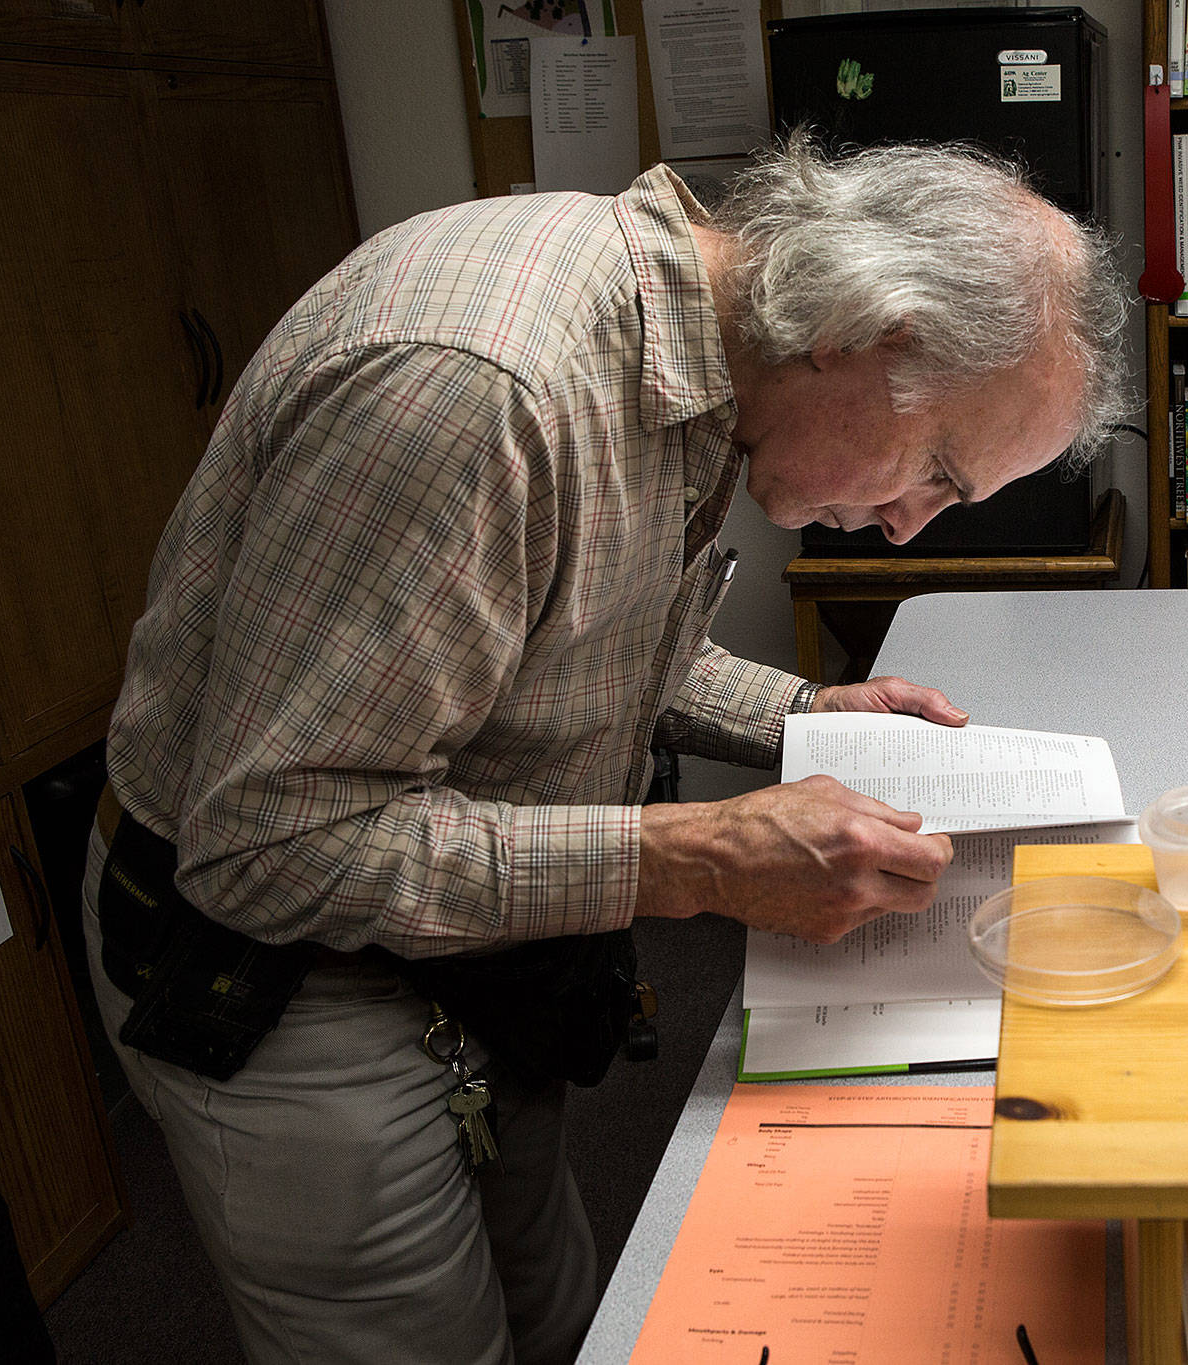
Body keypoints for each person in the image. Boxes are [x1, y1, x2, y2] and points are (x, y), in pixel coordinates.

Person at [81, 133, 1132, 1365]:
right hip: (279, 975)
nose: (906, 532)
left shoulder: (692, 350)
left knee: (558, 1316)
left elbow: (560, 633)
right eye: (937, 474)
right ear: (858, 332)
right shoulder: (483, 387)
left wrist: (796, 715)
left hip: (483, 953)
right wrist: (697, 857)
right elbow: (272, 842)